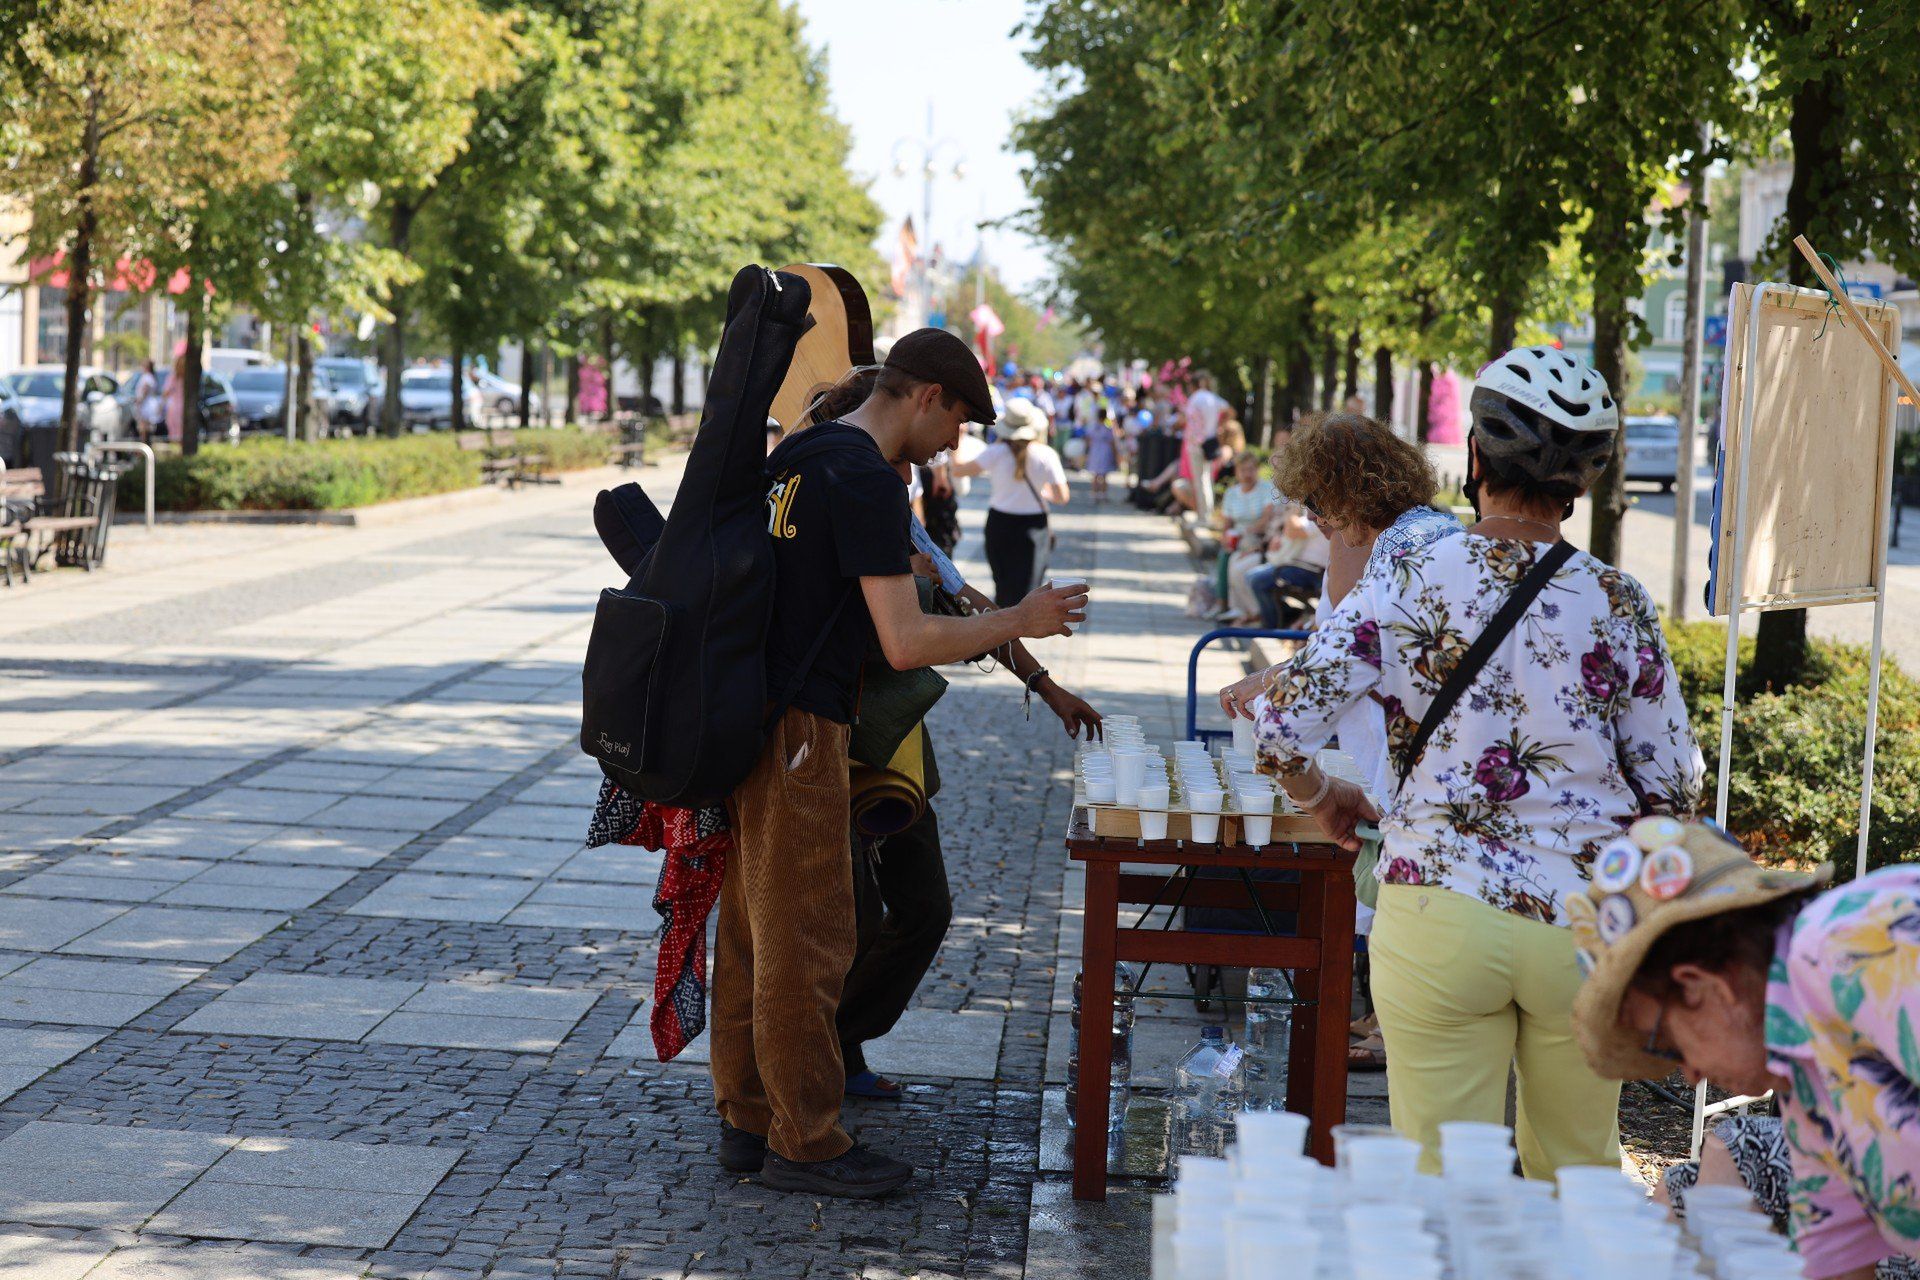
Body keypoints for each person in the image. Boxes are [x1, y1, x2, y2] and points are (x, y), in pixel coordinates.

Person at [1226, 348, 1704, 1178]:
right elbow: (1676, 787)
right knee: (1578, 1180)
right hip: (1580, 925)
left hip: (1437, 908)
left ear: (1476, 456)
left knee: (1443, 1187)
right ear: (1583, 482)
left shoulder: (1408, 576)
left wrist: (1324, 794)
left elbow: (1278, 727)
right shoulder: (1617, 599)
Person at [717, 327, 1086, 1198]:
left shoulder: (803, 453)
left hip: (752, 719)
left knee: (750, 933)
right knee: (807, 941)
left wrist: (1030, 668)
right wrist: (1019, 620)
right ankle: (806, 1141)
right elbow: (907, 639)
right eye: (957, 422)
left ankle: (747, 1117)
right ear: (927, 397)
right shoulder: (865, 479)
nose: (954, 443)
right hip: (804, 730)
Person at [1570, 819, 1920, 1279]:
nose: (1691, 1074)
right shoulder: (1806, 1084)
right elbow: (1838, 1259)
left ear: (1703, 988)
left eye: (1670, 1046)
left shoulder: (1854, 946)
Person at [950, 398, 1069, 608]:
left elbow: (958, 470)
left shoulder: (995, 452)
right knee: (1029, 590)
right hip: (1034, 527)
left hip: (1000, 524)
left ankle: (1004, 626)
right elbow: (1062, 497)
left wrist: (957, 437)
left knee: (1003, 587)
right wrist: (1043, 491)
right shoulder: (1045, 454)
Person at [1214, 452, 1278, 622]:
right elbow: (1227, 523)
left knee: (1235, 562)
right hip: (1238, 538)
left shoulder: (1266, 489)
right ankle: (1231, 606)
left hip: (1258, 537)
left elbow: (1266, 518)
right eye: (1243, 470)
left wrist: (1246, 532)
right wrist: (1226, 537)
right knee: (1227, 555)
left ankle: (1248, 610)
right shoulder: (1231, 493)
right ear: (1237, 471)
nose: (1247, 474)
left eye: (1251, 469)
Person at [1083, 404, 1119, 504]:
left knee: (1096, 475)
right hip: (1104, 452)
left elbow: (1087, 440)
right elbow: (1112, 442)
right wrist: (1115, 454)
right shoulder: (1107, 429)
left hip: (1095, 451)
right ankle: (1102, 495)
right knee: (1103, 475)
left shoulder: (1092, 427)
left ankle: (1095, 494)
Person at [132, 360, 162, 444]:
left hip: (145, 405)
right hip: (149, 404)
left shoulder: (146, 377)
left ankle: (144, 445)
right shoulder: (151, 377)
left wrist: (139, 400)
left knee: (144, 428)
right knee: (146, 427)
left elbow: (145, 390)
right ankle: (147, 444)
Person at [164, 353, 186, 443]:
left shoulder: (173, 377)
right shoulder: (188, 378)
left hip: (174, 407)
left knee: (174, 432)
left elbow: (165, 393)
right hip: (184, 406)